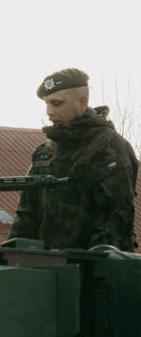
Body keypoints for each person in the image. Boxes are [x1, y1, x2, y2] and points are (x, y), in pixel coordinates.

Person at [7, 68, 138, 251]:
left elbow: (114, 222)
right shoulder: (45, 152)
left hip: (92, 269)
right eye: (47, 104)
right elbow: (27, 213)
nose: (49, 112)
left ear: (82, 102)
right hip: (44, 268)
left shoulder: (109, 148)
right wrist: (14, 259)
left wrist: (89, 271)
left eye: (56, 104)